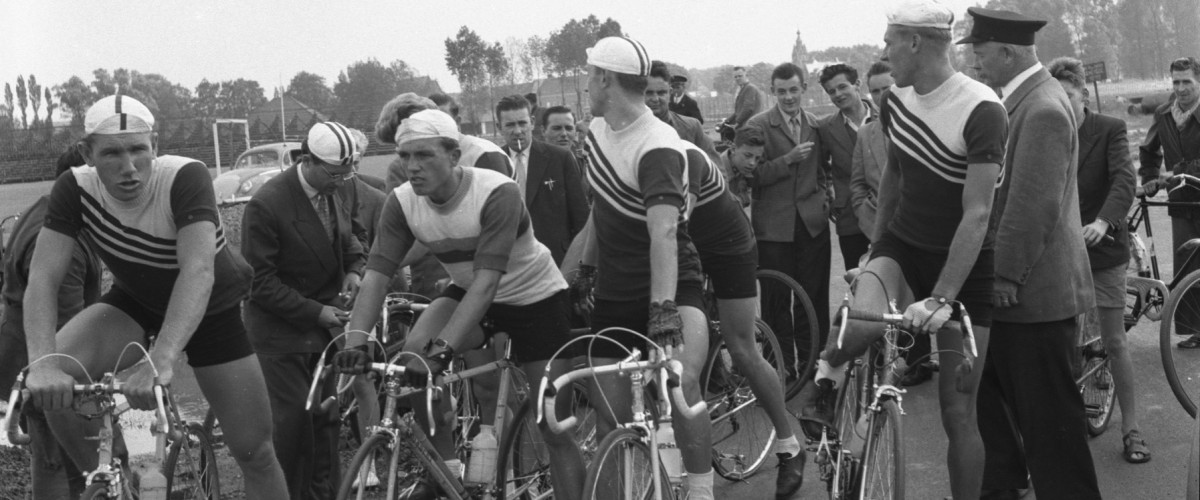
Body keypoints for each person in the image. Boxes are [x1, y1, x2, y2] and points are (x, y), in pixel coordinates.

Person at [23, 95, 288, 499]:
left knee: (255, 451)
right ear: (86, 153)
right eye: (111, 153)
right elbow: (42, 278)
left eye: (138, 150)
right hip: (136, 300)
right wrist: (41, 364)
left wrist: (160, 360)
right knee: (55, 375)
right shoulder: (74, 187)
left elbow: (198, 271)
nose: (128, 168)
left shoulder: (185, 176)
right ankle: (110, 477)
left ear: (156, 147)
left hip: (210, 311)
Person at [332, 109, 586, 500]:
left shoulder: (497, 191)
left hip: (533, 296)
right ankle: (445, 469)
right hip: (468, 290)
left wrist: (444, 351)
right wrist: (355, 342)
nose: (412, 167)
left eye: (424, 156)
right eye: (404, 156)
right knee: (414, 352)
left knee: (552, 423)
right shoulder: (402, 203)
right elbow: (377, 277)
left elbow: (488, 282)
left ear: (453, 157)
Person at [811, 3, 1007, 498]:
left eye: (888, 41)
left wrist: (941, 298)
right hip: (901, 245)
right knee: (858, 324)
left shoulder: (982, 107)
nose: (883, 52)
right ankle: (827, 390)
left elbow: (978, 214)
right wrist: (874, 252)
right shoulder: (896, 99)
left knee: (958, 411)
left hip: (962, 264)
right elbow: (895, 174)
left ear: (915, 42)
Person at [962, 7, 1101, 498]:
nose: (976, 64)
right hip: (1019, 297)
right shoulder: (1020, 101)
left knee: (1052, 434)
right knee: (1000, 417)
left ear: (1006, 51)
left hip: (1030, 298)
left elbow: (1031, 206)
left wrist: (1003, 277)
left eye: (980, 54)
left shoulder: (1040, 108)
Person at [572, 36, 715, 499]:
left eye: (589, 74)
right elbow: (602, 208)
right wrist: (587, 270)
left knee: (681, 386)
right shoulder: (596, 131)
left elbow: (664, 233)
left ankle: (699, 489)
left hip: (671, 286)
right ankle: (644, 474)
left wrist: (663, 308)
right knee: (613, 414)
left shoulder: (657, 145)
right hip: (616, 288)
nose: (586, 83)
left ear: (604, 79)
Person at [241, 121, 367, 499]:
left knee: (326, 420)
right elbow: (258, 283)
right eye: (334, 173)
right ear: (307, 160)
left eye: (348, 173)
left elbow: (351, 240)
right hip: (282, 337)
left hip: (322, 331)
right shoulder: (267, 204)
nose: (342, 180)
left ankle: (326, 494)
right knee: (293, 426)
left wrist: (354, 272)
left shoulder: (334, 188)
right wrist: (315, 312)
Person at [679, 140, 806, 497]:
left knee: (741, 345)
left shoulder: (681, 155)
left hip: (726, 244)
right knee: (682, 359)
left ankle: (789, 445)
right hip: (684, 246)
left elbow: (673, 229)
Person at [1049, 56, 1148, 464]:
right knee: (1056, 343)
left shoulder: (1108, 129)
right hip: (1057, 253)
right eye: (1056, 97)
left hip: (1101, 249)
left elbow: (1125, 180)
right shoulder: (1045, 130)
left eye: (1068, 96)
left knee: (1114, 340)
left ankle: (1132, 429)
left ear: (1082, 94)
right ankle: (1059, 428)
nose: (1062, 104)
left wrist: (1105, 221)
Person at [0, 149, 103, 499]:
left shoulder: (42, 211)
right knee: (84, 465)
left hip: (20, 357)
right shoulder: (66, 243)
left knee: (48, 458)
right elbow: (67, 328)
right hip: (49, 364)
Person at [376, 93, 512, 299]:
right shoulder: (400, 170)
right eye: (402, 150)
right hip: (437, 274)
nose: (411, 161)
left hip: (492, 279)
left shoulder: (484, 156)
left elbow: (497, 232)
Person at [745, 62, 830, 385]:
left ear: (804, 88)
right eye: (781, 91)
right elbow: (750, 174)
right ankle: (780, 367)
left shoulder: (815, 125)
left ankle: (812, 364)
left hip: (812, 226)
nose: (788, 97)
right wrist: (787, 160)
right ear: (772, 92)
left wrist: (823, 199)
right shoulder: (759, 125)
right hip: (774, 230)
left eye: (794, 90)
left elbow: (822, 169)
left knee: (812, 298)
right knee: (777, 299)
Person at [1139, 57, 1200, 348]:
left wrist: (1175, 173)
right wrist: (1151, 177)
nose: (1181, 88)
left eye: (1187, 81)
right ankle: (1195, 329)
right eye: (1176, 82)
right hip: (1180, 202)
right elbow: (1148, 151)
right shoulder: (1164, 114)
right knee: (1186, 265)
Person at [496, 95, 590, 266]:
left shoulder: (560, 158)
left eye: (522, 123)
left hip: (556, 259)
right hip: (511, 262)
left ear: (532, 122)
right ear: (499, 127)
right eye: (510, 125)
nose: (517, 131)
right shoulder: (492, 161)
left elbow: (580, 216)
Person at [817, 63, 875, 271]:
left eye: (842, 87)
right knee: (858, 281)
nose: (838, 94)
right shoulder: (825, 128)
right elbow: (819, 168)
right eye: (831, 91)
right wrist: (831, 197)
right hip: (851, 219)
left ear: (857, 84)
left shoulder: (887, 117)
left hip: (889, 214)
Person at [646, 61, 720, 160]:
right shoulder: (625, 129)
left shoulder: (692, 127)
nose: (655, 99)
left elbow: (716, 168)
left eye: (661, 93)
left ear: (669, 93)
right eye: (649, 93)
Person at [717, 125, 766, 212]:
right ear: (733, 149)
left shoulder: (740, 168)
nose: (752, 163)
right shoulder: (716, 175)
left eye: (757, 158)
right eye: (748, 155)